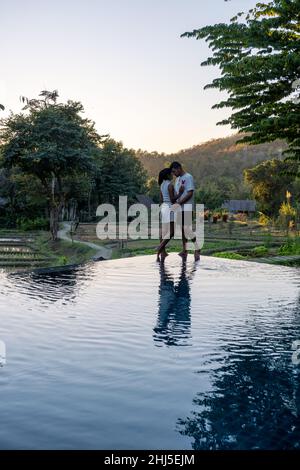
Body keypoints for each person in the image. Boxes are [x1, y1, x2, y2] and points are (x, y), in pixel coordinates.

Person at [170, 161, 201, 261]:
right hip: (179, 208)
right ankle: (185, 250)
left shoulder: (188, 177)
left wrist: (179, 203)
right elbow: (178, 194)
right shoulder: (178, 179)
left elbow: (190, 193)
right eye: (173, 173)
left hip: (187, 207)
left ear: (179, 168)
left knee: (187, 229)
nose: (174, 174)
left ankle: (197, 248)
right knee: (183, 230)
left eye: (174, 171)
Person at [156, 168, 177, 261]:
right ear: (168, 175)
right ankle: (160, 247)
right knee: (172, 232)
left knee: (164, 231)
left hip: (163, 207)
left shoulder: (162, 185)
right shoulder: (170, 185)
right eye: (171, 173)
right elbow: (173, 199)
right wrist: (180, 193)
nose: (173, 175)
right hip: (169, 207)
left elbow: (161, 199)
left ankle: (163, 253)